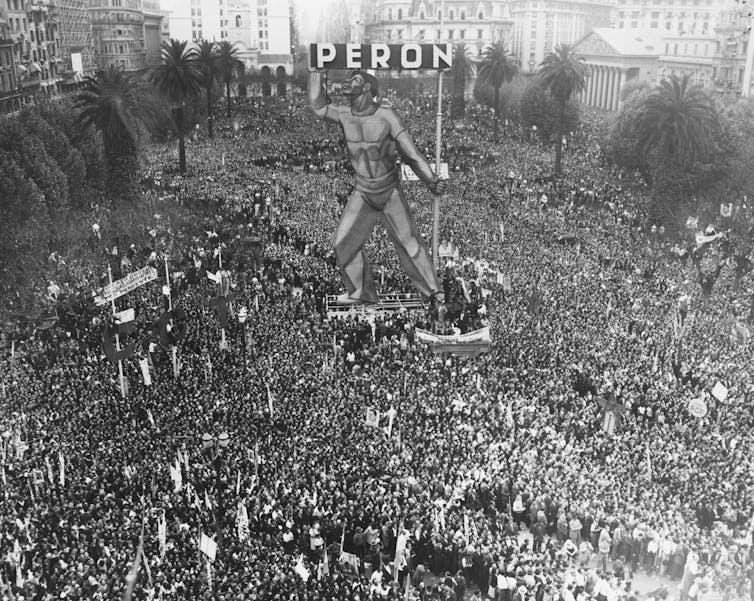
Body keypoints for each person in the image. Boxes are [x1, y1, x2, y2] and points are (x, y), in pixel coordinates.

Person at [307, 69, 446, 304]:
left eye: (355, 80)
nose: (348, 83)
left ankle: (434, 292)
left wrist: (430, 180)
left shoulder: (386, 116)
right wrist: (316, 71)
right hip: (363, 191)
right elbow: (318, 106)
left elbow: (411, 154)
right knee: (343, 244)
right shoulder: (344, 114)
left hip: (389, 190)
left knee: (409, 243)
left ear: (366, 88)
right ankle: (361, 293)